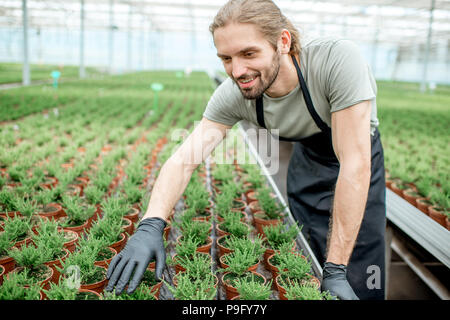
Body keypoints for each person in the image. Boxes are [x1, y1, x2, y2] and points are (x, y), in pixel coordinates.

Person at [106, 0, 386, 300]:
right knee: (306, 253)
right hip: (307, 160)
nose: (237, 70)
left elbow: (354, 163)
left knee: (357, 270)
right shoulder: (234, 94)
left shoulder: (335, 60)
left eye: (249, 53)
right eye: (226, 58)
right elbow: (183, 161)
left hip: (355, 158)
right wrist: (151, 224)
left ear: (283, 41)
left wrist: (337, 269)